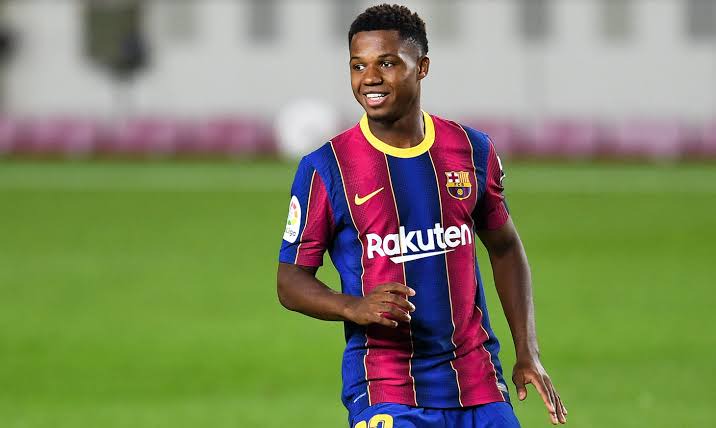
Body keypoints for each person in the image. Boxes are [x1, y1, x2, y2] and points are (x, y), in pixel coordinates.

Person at [277, 4, 567, 427]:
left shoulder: (471, 149)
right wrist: (353, 306)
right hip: (386, 387)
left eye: (387, 63)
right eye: (358, 66)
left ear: (422, 67)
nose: (369, 78)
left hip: (478, 381)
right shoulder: (327, 167)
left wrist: (528, 351)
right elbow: (290, 280)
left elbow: (506, 248)